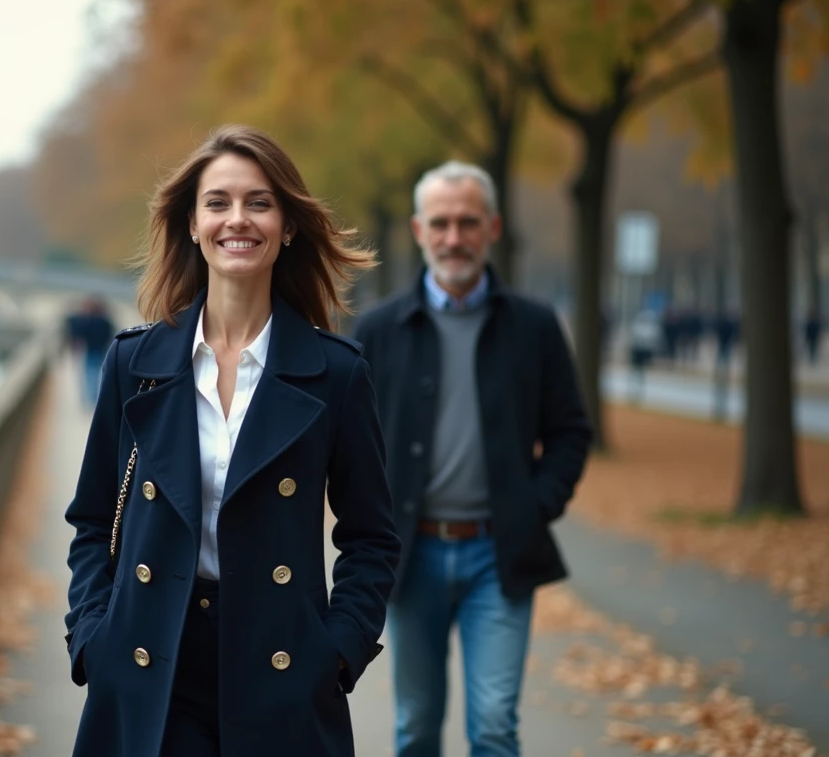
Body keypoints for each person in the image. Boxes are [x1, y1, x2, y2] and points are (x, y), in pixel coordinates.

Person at [63, 124, 400, 757]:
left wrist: (336, 653)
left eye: (259, 202)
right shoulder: (133, 364)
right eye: (217, 202)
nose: (236, 219)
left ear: (288, 225)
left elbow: (371, 537)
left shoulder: (337, 374)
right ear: (191, 223)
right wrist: (91, 635)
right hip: (147, 660)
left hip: (283, 668)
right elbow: (90, 520)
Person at [352, 160, 592, 757]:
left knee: (493, 725)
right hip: (410, 556)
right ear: (417, 230)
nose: (453, 238)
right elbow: (347, 442)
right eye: (440, 223)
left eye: (467, 222)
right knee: (416, 728)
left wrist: (534, 507)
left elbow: (570, 431)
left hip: (500, 554)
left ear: (493, 227)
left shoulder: (534, 328)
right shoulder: (377, 330)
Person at [65, 296, 116, 406]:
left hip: (90, 350)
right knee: (99, 374)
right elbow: (111, 337)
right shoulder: (106, 321)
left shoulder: (87, 321)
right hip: (103, 351)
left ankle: (88, 397)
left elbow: (79, 336)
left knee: (89, 374)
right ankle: (95, 397)